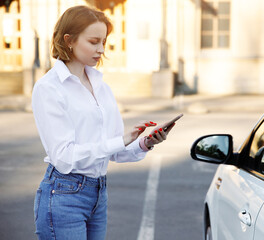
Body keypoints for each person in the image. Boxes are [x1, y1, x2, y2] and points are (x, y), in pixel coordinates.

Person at [32, 5, 174, 240]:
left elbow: (114, 151)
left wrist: (144, 143)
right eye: (94, 41)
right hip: (64, 195)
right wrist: (119, 141)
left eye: (104, 42)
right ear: (69, 40)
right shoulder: (48, 88)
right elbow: (64, 157)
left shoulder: (101, 85)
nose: (101, 50)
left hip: (98, 193)